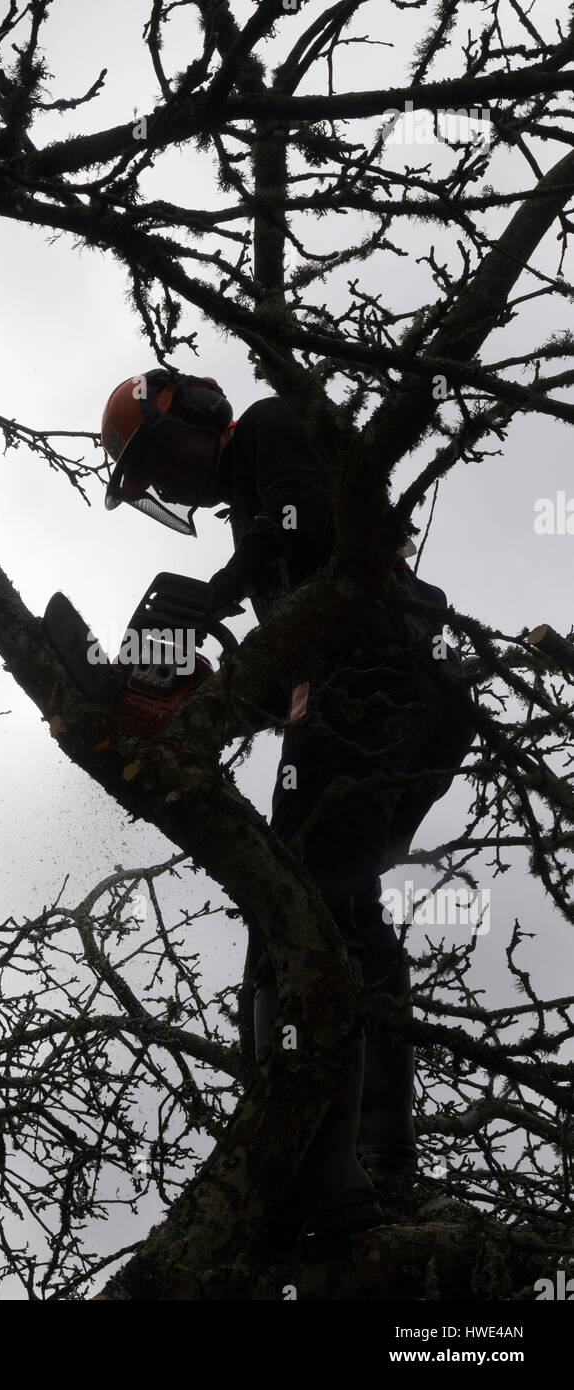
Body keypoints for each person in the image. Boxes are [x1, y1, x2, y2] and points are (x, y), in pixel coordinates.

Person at [101, 365, 476, 1235]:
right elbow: (292, 641)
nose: (167, 482)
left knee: (294, 906)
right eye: (150, 480)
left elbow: (300, 521)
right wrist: (214, 693)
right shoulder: (262, 536)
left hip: (374, 689)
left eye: (162, 459)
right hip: (389, 704)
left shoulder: (270, 429)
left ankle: (325, 1172)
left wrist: (217, 598)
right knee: (337, 904)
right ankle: (381, 1166)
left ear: (198, 414)